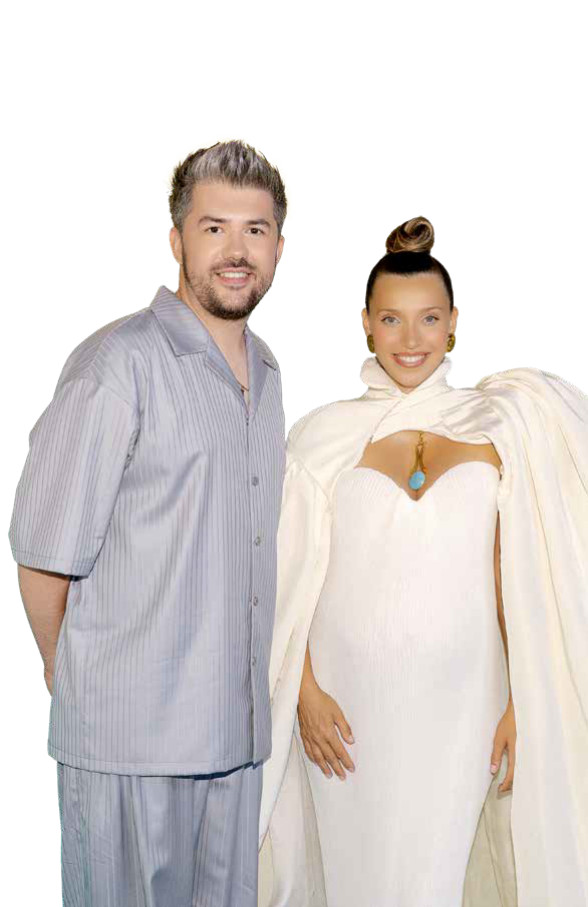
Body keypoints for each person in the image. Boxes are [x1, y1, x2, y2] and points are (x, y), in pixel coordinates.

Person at [257, 217, 588, 907]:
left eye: (429, 319)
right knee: (359, 878)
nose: (411, 339)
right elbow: (286, 580)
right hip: (347, 711)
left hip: (466, 704)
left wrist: (520, 701)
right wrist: (306, 695)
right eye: (392, 319)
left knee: (438, 879)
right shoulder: (320, 437)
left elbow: (511, 572)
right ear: (366, 325)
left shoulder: (497, 427)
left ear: (454, 324)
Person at [9, 139, 287, 907]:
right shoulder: (118, 364)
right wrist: (73, 672)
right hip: (128, 742)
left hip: (235, 740)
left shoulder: (267, 372)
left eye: (255, 230)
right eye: (213, 227)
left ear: (278, 246)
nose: (236, 250)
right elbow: (42, 553)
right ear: (177, 240)